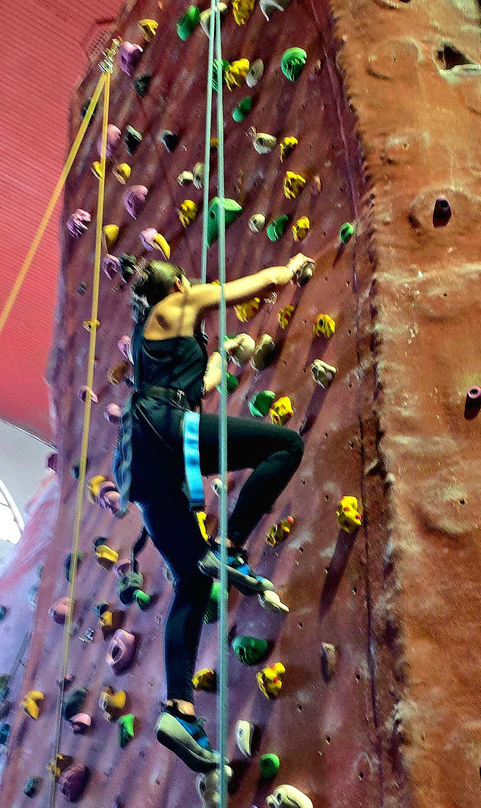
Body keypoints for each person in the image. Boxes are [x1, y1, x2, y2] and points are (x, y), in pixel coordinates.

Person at [112, 256, 310, 772]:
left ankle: (178, 710)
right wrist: (287, 269)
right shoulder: (179, 300)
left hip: (149, 462)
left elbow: (199, 387)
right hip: (170, 433)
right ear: (177, 284)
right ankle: (232, 544)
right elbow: (248, 286)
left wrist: (222, 358)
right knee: (285, 446)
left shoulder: (151, 339)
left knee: (193, 581)